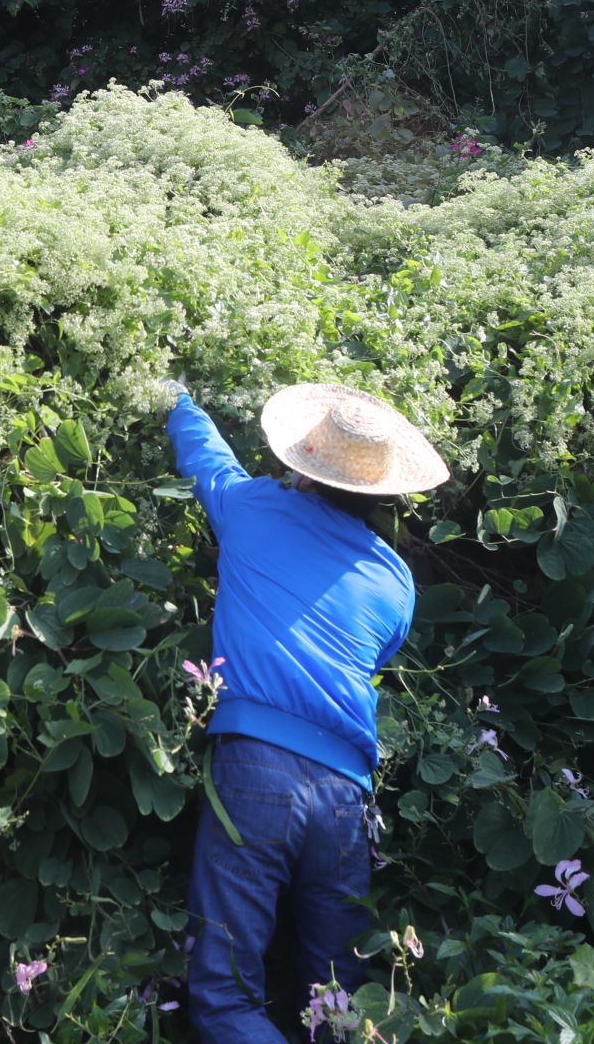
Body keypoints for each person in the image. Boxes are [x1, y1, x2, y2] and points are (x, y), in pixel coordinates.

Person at [162, 379, 449, 1044]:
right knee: (341, 1006)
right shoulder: (395, 580)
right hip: (346, 796)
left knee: (227, 997)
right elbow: (376, 652)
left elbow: (206, 458)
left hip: (255, 770)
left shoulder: (253, 507)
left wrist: (180, 399)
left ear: (302, 463)